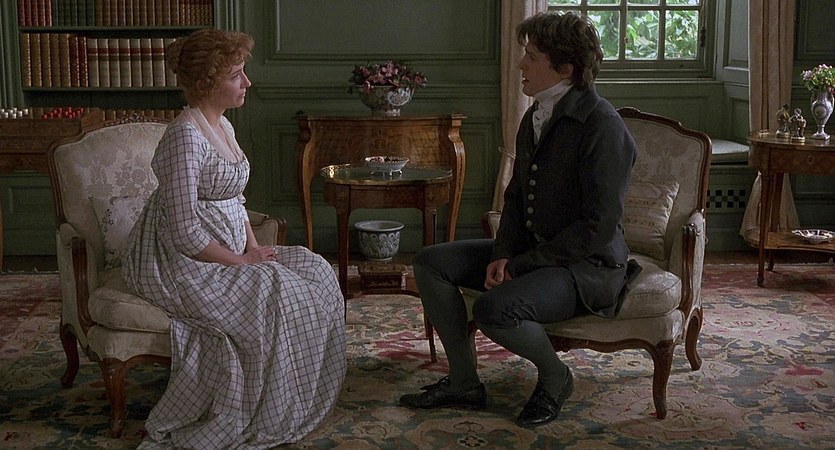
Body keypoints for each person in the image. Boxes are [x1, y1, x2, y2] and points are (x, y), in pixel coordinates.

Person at [399, 12, 640, 428]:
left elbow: (597, 227)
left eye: (531, 56)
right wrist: (504, 251)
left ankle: (555, 377)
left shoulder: (602, 125)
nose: (520, 64)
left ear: (565, 68)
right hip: (534, 251)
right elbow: (515, 197)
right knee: (430, 263)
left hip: (587, 267)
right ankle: (463, 382)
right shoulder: (535, 114)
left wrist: (521, 264)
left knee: (494, 309)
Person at [121, 29, 346, 448]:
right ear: (207, 83)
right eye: (236, 75)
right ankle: (264, 407)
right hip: (181, 264)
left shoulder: (222, 125)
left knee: (315, 268)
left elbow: (235, 200)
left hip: (230, 248)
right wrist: (241, 262)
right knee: (274, 287)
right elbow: (184, 232)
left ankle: (300, 396)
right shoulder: (184, 137)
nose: (247, 82)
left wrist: (252, 247)